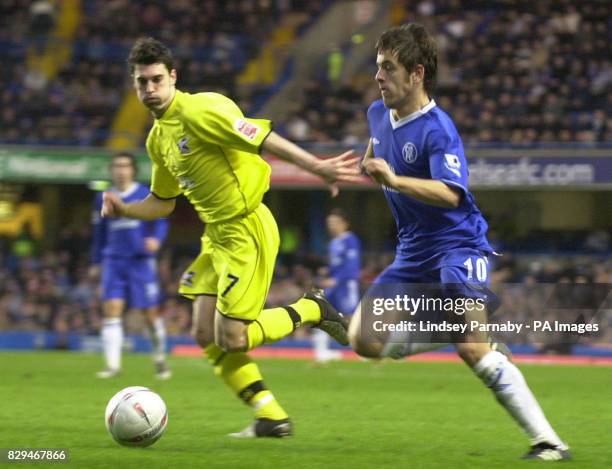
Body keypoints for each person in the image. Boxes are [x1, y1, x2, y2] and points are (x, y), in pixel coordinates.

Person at [101, 37, 361, 438]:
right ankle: (271, 416)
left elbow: (260, 137)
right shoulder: (157, 138)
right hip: (216, 235)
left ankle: (311, 309)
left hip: (246, 229)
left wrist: (316, 167)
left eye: (156, 80)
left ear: (173, 77)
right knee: (204, 335)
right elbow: (162, 201)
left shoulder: (202, 109)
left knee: (233, 337)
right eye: (141, 83)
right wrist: (125, 209)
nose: (149, 89)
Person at [348, 24, 570, 460]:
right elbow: (377, 152)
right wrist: (362, 165)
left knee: (472, 351)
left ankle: (550, 443)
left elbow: (452, 193)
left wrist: (393, 178)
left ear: (416, 74)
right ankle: (474, 336)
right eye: (377, 67)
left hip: (457, 245)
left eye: (387, 68)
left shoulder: (438, 129)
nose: (378, 77)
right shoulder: (377, 113)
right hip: (412, 251)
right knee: (363, 340)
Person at [91, 151, 170, 379]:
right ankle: (113, 366)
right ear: (111, 170)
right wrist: (96, 261)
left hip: (141, 262)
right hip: (113, 260)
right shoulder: (102, 197)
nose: (120, 170)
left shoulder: (144, 193)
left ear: (132, 170)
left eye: (125, 166)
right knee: (111, 310)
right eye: (116, 166)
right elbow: (99, 232)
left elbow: (161, 221)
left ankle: (159, 359)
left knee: (150, 314)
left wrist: (157, 239)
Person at [314, 208, 361, 362]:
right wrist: (328, 270)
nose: (332, 226)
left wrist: (337, 279)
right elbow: (338, 264)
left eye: (335, 223)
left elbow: (351, 266)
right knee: (322, 312)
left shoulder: (350, 240)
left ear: (344, 224)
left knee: (351, 316)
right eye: (329, 223)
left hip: (346, 285)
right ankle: (321, 352)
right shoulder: (334, 242)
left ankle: (366, 349)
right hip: (334, 284)